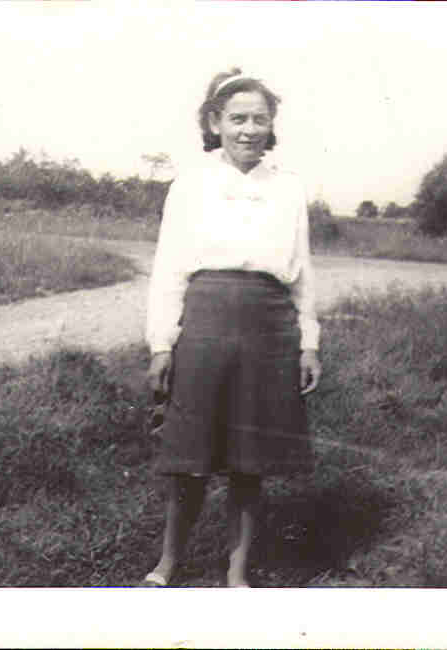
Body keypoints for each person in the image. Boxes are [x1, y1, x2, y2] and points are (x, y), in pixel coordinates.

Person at [142, 68, 322, 588]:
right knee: (188, 457)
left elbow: (303, 272)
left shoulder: (287, 188)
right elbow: (169, 269)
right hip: (205, 320)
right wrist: (161, 344)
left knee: (250, 461)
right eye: (237, 118)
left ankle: (236, 573)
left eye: (259, 119)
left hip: (270, 327)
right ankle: (168, 564)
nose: (248, 129)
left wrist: (309, 341)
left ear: (272, 126)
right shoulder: (192, 184)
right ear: (215, 122)